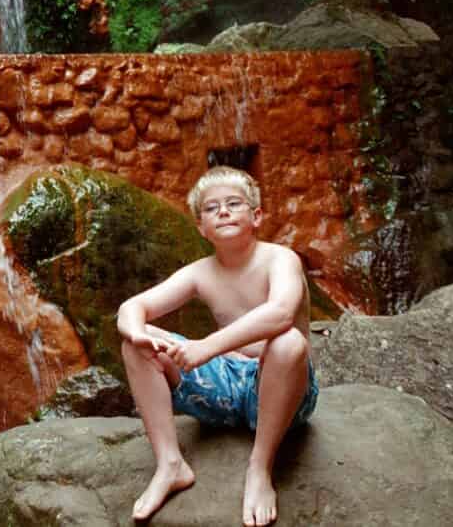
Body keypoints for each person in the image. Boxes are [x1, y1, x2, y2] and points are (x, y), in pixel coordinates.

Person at [116, 166, 317, 526]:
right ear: (200, 227)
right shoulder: (200, 271)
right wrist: (138, 331)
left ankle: (260, 467)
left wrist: (205, 347)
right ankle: (170, 464)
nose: (222, 211)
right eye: (211, 208)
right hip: (223, 388)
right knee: (137, 343)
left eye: (233, 203)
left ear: (256, 216)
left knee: (288, 343)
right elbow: (132, 307)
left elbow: (281, 313)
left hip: (278, 390)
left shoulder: (280, 259)